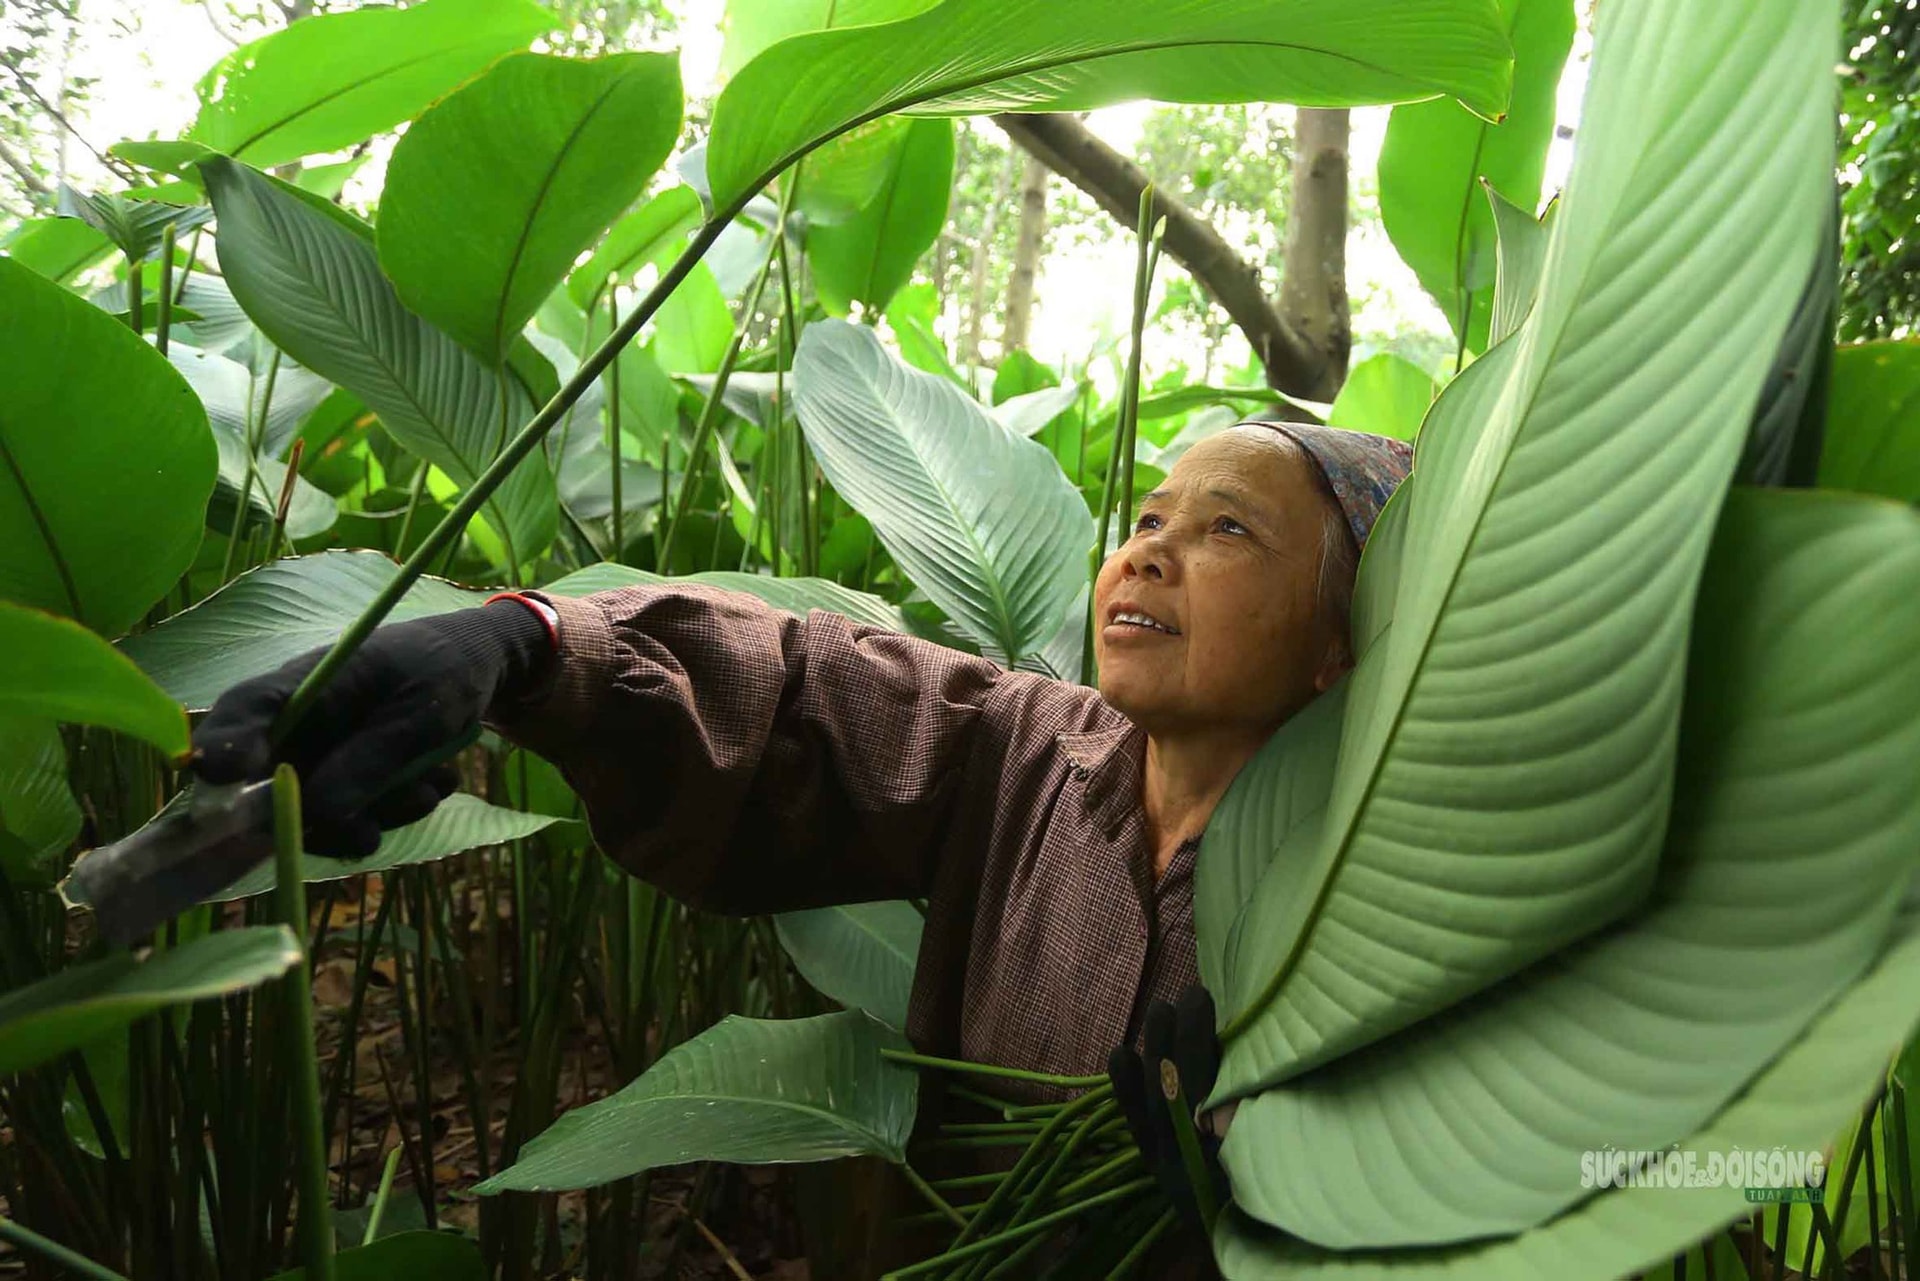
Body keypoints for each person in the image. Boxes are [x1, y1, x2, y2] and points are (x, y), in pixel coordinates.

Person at [192, 417, 1412, 1272]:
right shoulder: (1033, 752)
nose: (1147, 549)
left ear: (1341, 641)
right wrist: (524, 648)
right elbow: (806, 687)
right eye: (1147, 517)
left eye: (1228, 531)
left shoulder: (1423, 884)